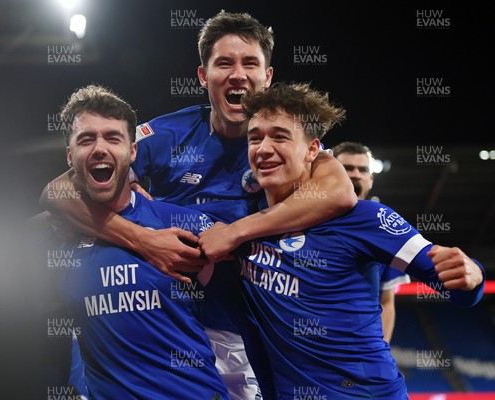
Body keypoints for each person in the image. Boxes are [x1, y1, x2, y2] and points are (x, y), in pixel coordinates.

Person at [41, 11, 357, 400]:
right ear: (203, 77)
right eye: (224, 63)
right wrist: (143, 239)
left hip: (252, 330)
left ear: (268, 76)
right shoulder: (169, 133)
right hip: (170, 325)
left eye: (250, 63)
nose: (237, 74)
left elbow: (340, 192)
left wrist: (236, 231)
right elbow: (57, 193)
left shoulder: (285, 137)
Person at [224, 81, 485, 399]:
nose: (263, 148)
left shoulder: (364, 218)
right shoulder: (240, 225)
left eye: (279, 136)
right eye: (255, 138)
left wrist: (472, 276)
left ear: (311, 149)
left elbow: (452, 281)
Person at [42, 84, 230, 399]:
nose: (99, 148)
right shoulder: (53, 240)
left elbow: (253, 284)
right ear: (69, 157)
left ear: (132, 152)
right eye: (86, 139)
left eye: (113, 138)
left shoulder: (178, 223)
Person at [331, 141, 411, 343]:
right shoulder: (303, 220)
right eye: (347, 168)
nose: (355, 174)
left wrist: (380, 351)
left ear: (370, 179)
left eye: (362, 170)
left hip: (358, 348)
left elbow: (386, 301)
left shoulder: (385, 233)